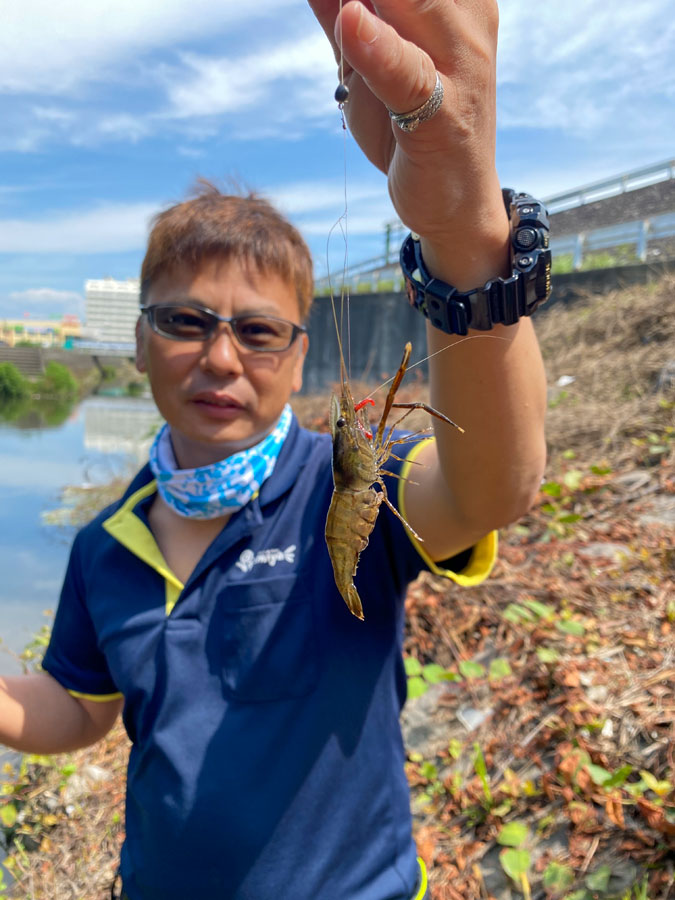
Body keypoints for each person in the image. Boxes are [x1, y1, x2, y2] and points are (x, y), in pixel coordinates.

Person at [0, 1, 548, 898]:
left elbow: (494, 487)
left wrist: (462, 230)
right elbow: (78, 707)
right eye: (184, 321)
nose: (220, 358)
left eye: (258, 331)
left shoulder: (345, 488)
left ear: (297, 359)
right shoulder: (105, 546)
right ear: (136, 343)